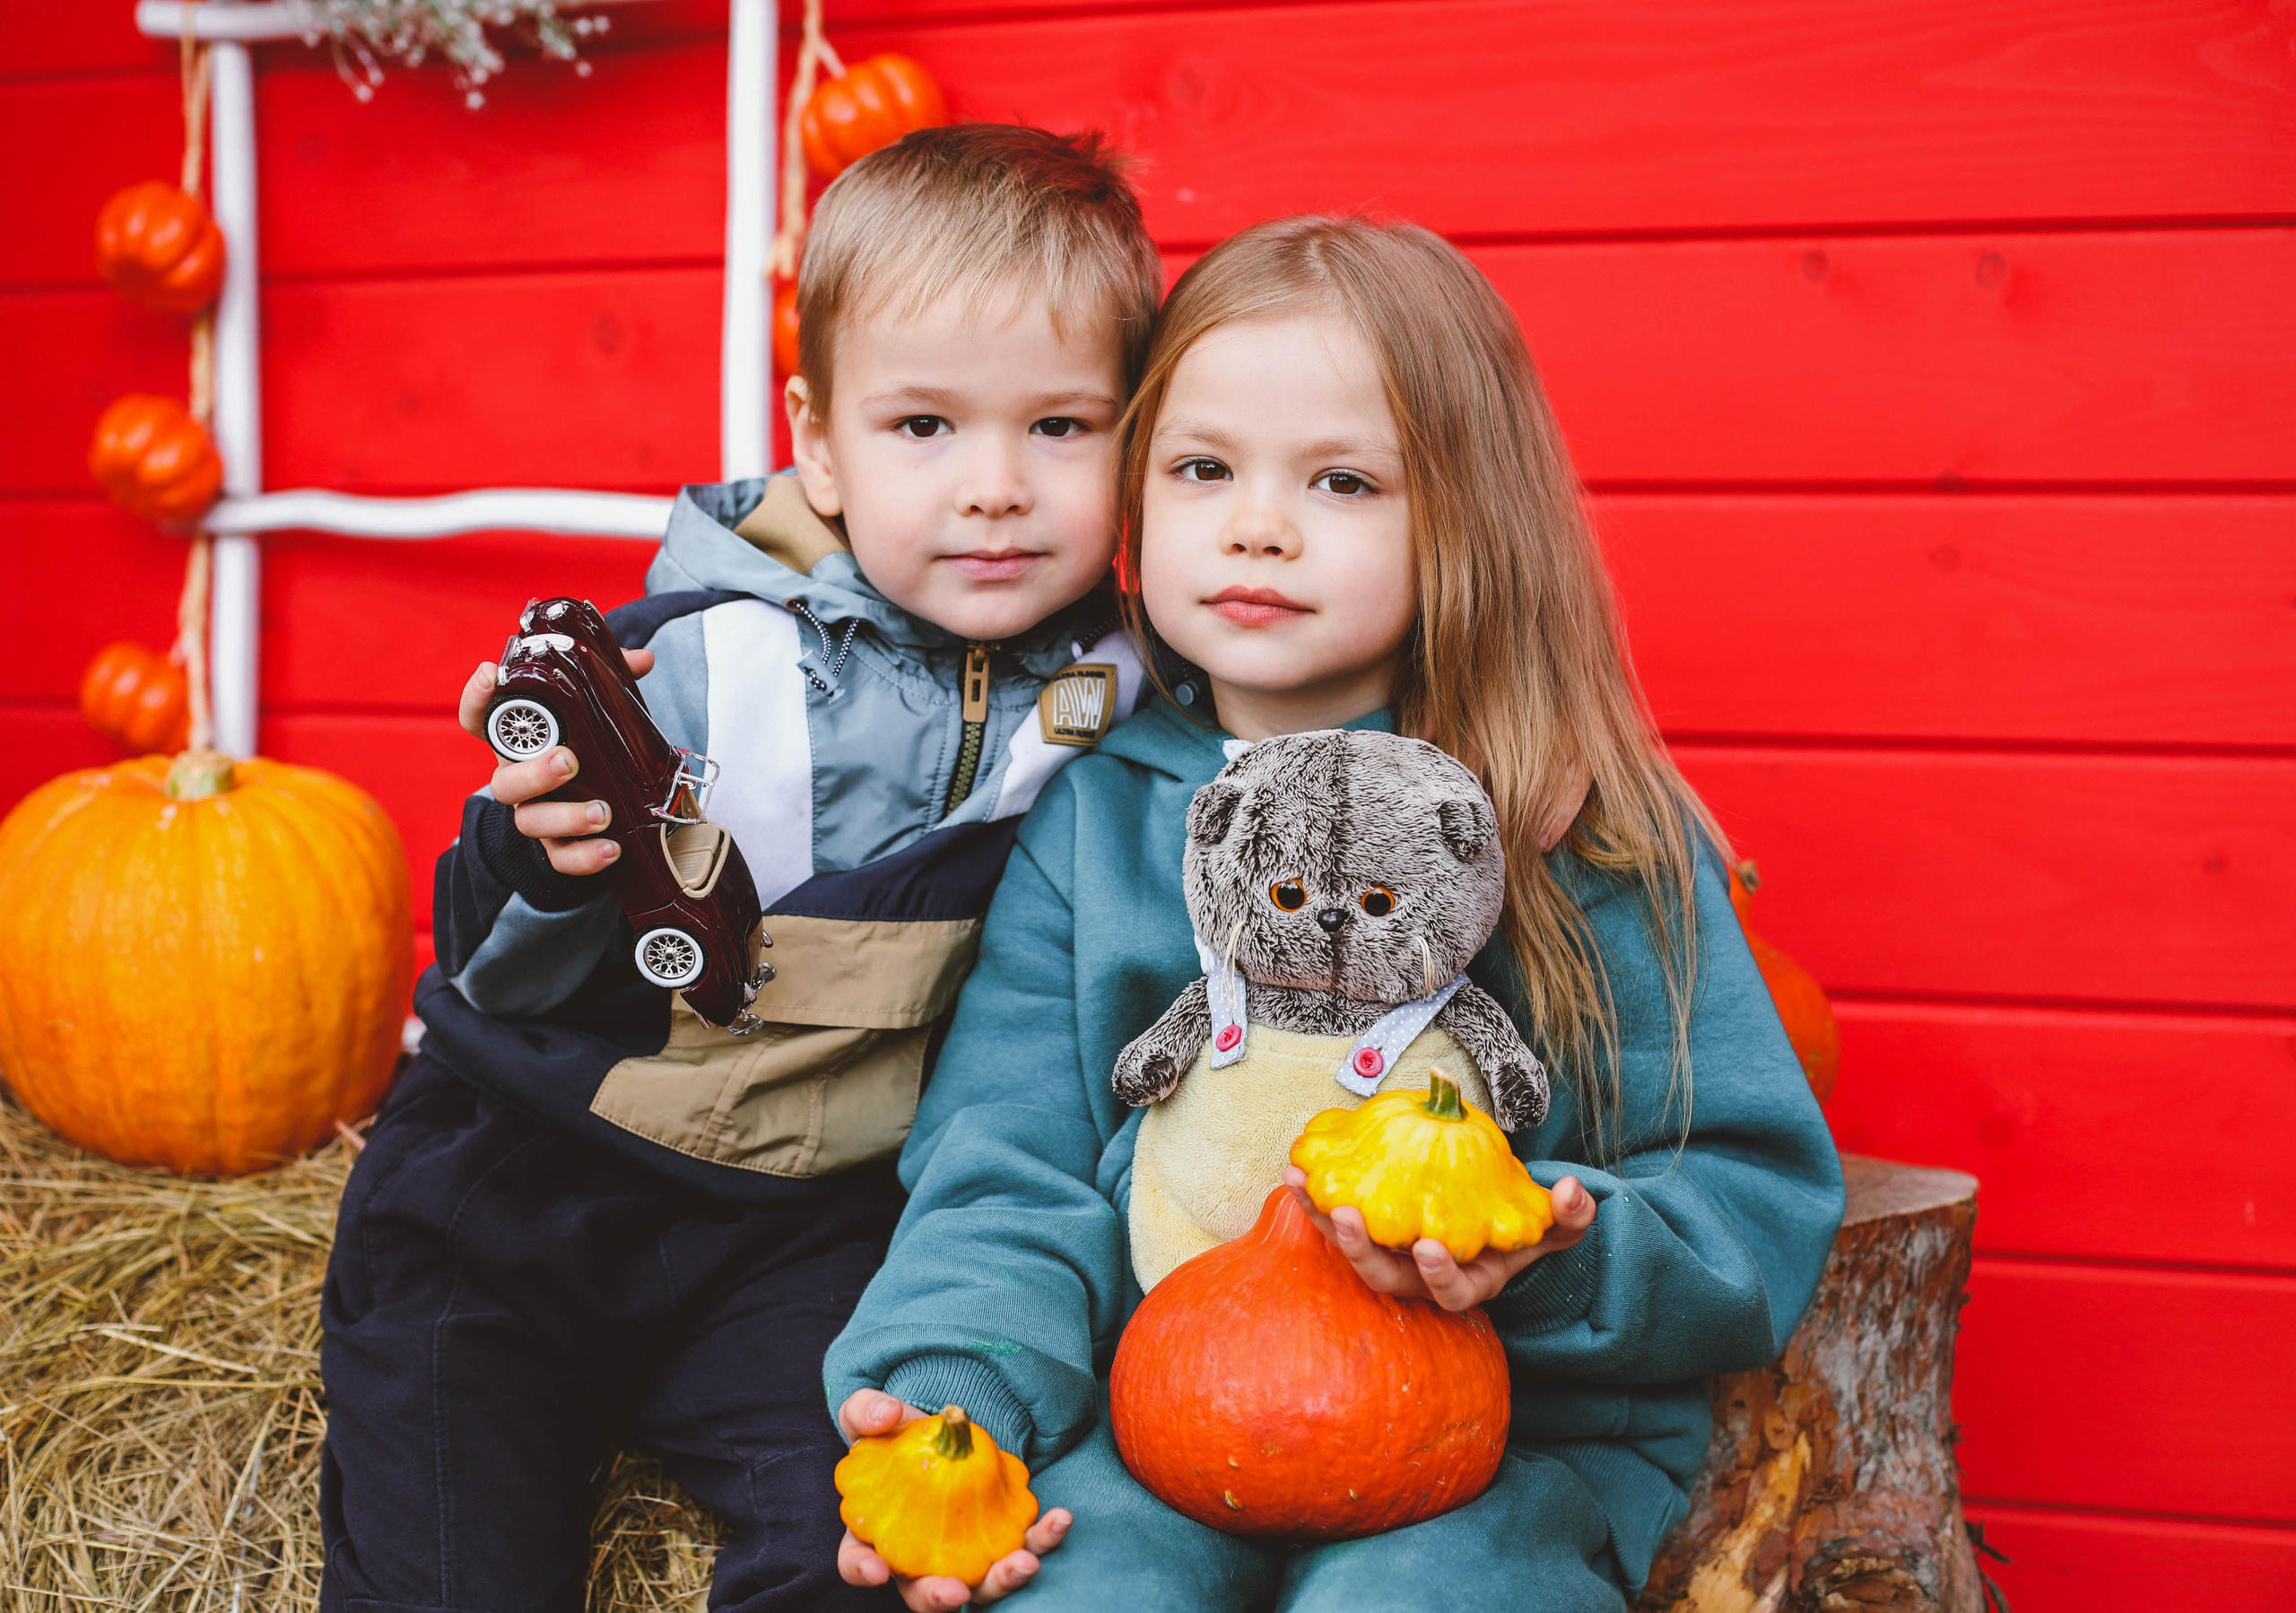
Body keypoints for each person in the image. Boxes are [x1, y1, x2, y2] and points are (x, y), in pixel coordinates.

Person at [824, 216, 1846, 1611]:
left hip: (1506, 1456)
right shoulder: (1098, 818)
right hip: (1156, 1423)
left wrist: (1542, 1257)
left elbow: (1747, 1200)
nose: (1258, 523)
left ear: (1469, 516)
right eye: (1202, 469)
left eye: (1345, 480)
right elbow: (1009, 1164)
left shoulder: (1584, 824)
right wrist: (965, 1389)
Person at [317, 126, 1162, 1613]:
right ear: (819, 446)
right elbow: (483, 958)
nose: (994, 488)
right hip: (524, 1182)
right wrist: (539, 850)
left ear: (1138, 439)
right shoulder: (691, 658)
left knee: (865, 1541)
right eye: (923, 428)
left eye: (1061, 428)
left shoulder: (1129, 693)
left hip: (804, 1225)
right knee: (442, 1553)